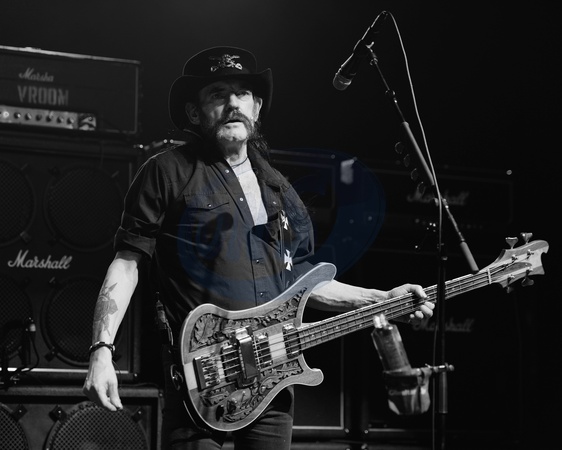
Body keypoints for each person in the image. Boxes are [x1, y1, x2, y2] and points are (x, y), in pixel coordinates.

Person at [83, 46, 434, 450]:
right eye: (218, 94)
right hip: (202, 382)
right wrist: (102, 351)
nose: (233, 103)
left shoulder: (280, 190)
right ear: (194, 112)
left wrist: (382, 299)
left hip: (273, 378)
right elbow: (127, 263)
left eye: (243, 93)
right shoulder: (166, 172)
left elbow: (302, 280)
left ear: (257, 107)